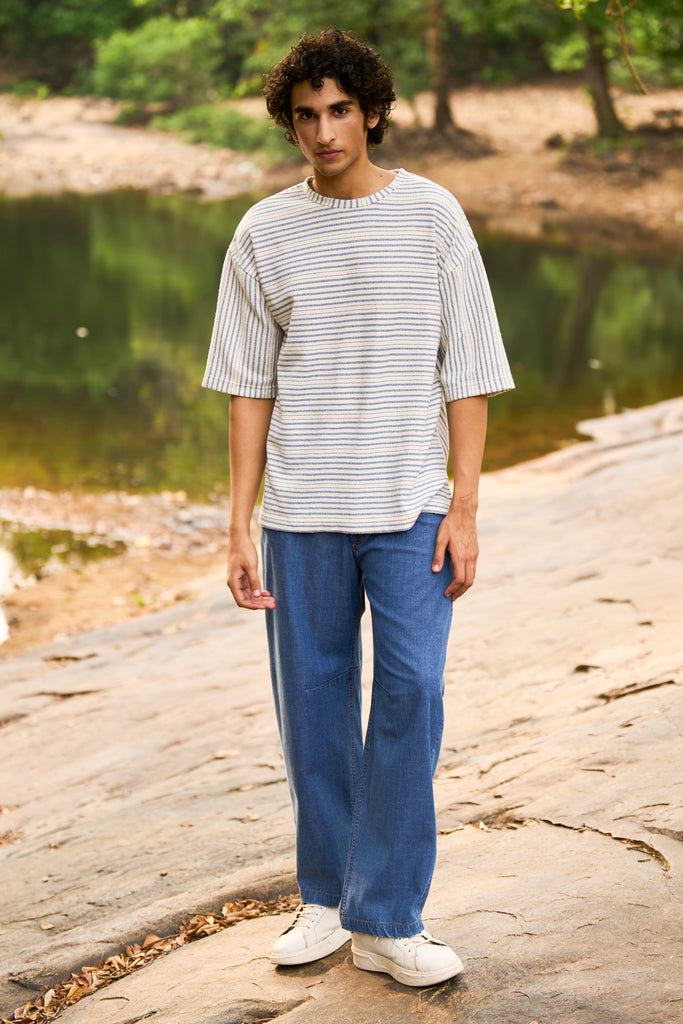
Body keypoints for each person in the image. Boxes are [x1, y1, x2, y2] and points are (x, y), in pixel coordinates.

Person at [203, 27, 514, 988]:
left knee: (413, 692)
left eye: (340, 110)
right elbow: (247, 387)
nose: (324, 131)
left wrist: (464, 507)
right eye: (306, 115)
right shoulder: (262, 232)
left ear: (372, 112)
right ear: (289, 124)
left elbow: (468, 371)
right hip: (300, 512)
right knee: (314, 706)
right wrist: (238, 523)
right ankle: (329, 900)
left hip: (411, 504)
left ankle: (389, 918)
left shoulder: (432, 216)